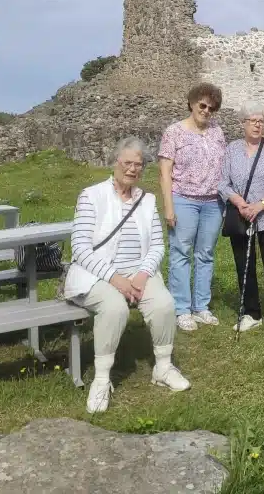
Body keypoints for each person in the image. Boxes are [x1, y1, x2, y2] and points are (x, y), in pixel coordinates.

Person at [64, 137, 190, 414]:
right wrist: (114, 278)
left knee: (164, 304)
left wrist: (144, 275)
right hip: (96, 273)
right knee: (114, 308)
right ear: (115, 163)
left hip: (138, 272)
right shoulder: (91, 195)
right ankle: (101, 379)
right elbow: (81, 249)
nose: (133, 169)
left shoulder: (147, 200)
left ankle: (163, 367)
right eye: (127, 163)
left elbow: (157, 245)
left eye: (138, 165)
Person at [158, 83, 227, 332]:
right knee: (181, 253)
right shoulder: (174, 132)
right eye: (202, 105)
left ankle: (201, 307)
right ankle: (181, 309)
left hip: (212, 202)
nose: (206, 110)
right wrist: (169, 207)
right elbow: (165, 172)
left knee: (206, 254)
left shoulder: (217, 131)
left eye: (211, 107)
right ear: (192, 103)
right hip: (184, 199)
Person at [218, 104, 264, 340]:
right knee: (244, 266)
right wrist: (240, 203)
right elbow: (223, 184)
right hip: (241, 216)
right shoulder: (232, 150)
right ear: (243, 124)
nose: (258, 124)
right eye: (253, 120)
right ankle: (252, 313)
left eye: (261, 120)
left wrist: (261, 204)